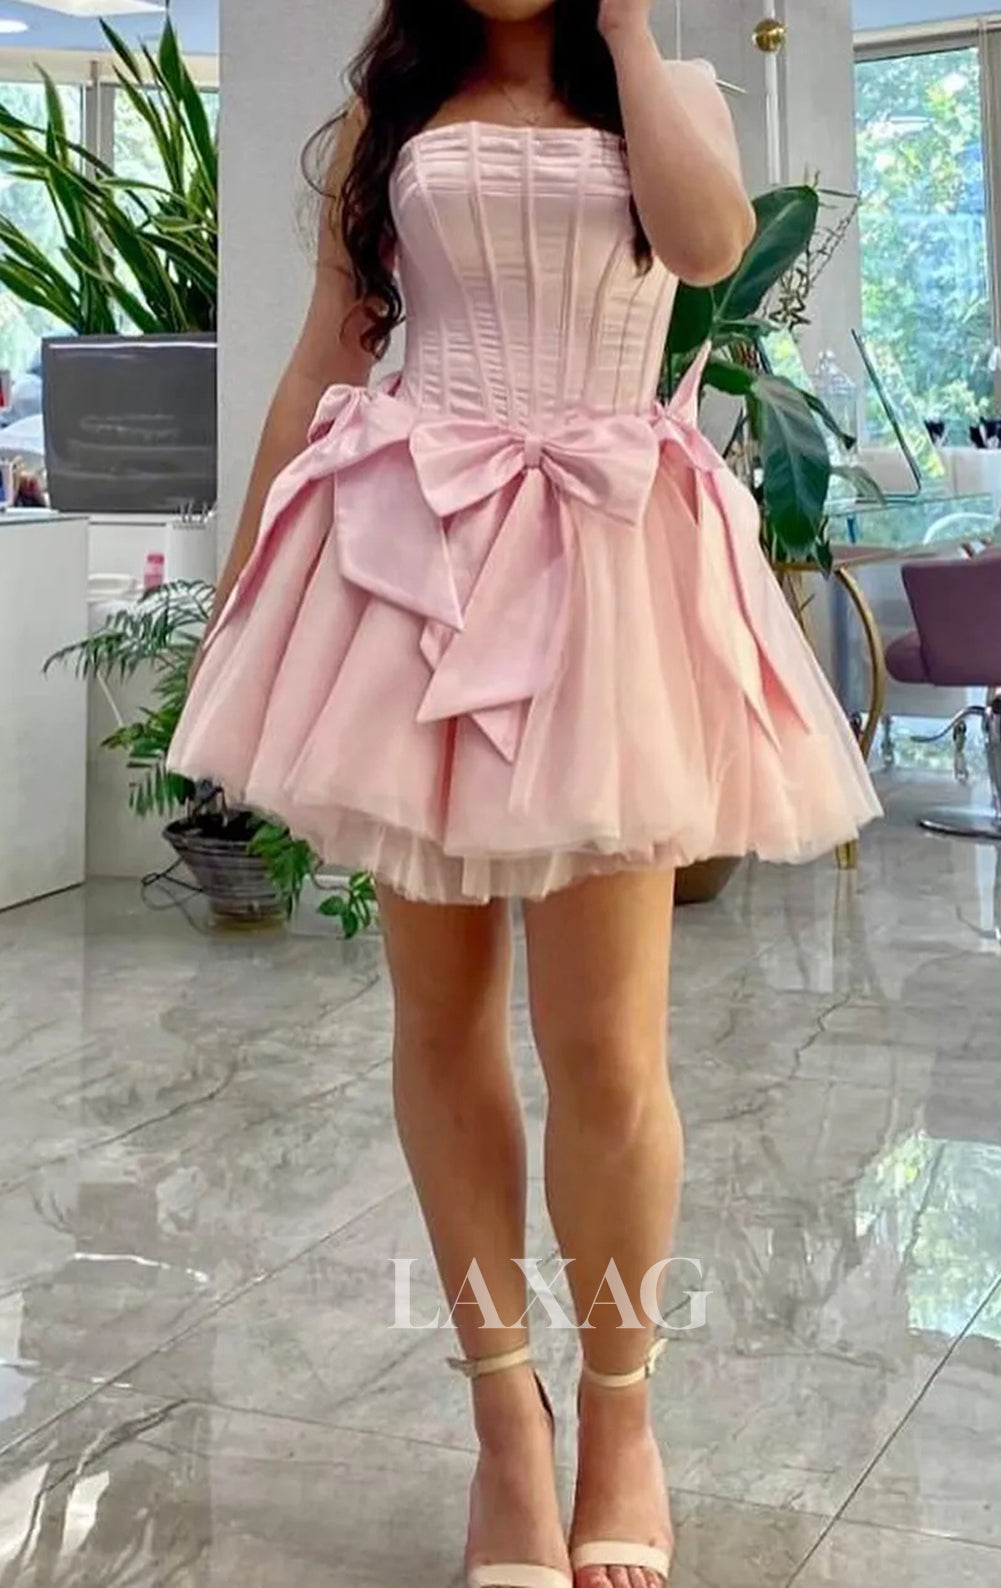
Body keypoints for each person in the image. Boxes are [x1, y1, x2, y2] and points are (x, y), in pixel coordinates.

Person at [170, 2, 882, 1584]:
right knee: (438, 1022)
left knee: (608, 1048)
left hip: (609, 569)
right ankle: (507, 1418)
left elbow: (708, 250)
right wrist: (241, 590)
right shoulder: (395, 107)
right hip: (413, 557)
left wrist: (626, 30)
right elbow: (326, 353)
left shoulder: (667, 90)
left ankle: (622, 1414)